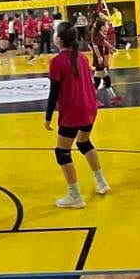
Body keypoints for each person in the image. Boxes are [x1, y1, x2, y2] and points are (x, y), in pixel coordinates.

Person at [45, 24, 110, 208]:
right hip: (89, 108)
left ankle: (75, 196)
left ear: (59, 39)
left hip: (73, 112)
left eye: (55, 33)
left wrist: (48, 117)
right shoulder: (82, 57)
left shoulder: (57, 62)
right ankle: (101, 182)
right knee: (83, 143)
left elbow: (54, 92)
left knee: (62, 152)